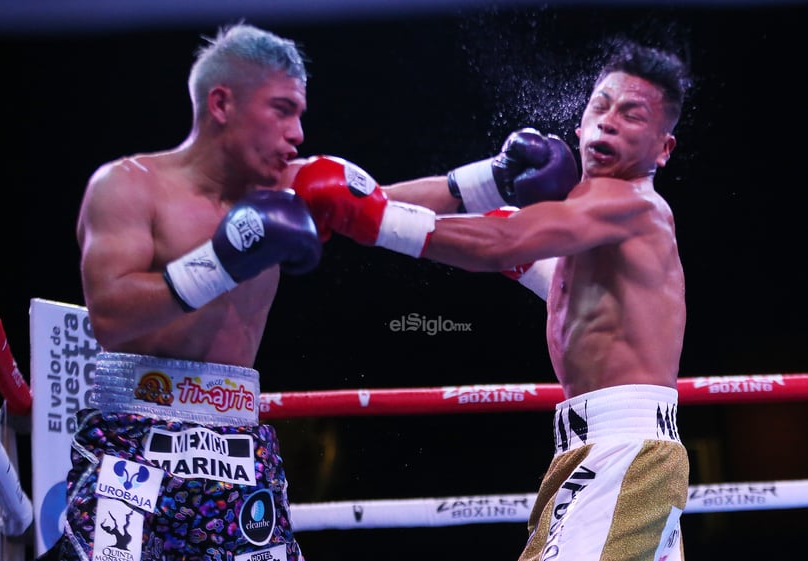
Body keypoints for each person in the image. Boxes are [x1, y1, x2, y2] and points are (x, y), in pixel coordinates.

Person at [291, 38, 692, 561]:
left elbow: (503, 244)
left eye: (633, 114)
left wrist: (372, 220)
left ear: (663, 148)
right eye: (600, 105)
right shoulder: (587, 233)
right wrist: (355, 201)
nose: (609, 121)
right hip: (600, 451)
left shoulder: (632, 205)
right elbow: (495, 236)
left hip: (624, 453)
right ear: (578, 124)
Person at [47, 22, 322, 561]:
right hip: (133, 442)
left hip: (236, 448)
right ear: (222, 104)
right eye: (282, 109)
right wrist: (222, 260)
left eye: (299, 115)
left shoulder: (285, 192)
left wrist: (491, 180)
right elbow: (111, 315)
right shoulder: (128, 186)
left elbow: (383, 203)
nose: (297, 134)